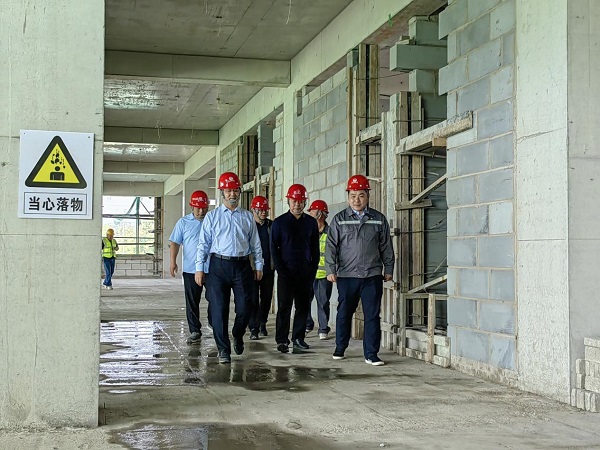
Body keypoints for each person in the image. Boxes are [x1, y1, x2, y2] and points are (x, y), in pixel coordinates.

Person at [195, 172, 263, 364]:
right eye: (228, 191)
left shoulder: (247, 217)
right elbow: (203, 244)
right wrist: (199, 268)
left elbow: (255, 244)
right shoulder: (212, 217)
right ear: (222, 193)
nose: (232, 194)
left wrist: (258, 265)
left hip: (242, 265)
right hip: (218, 266)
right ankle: (223, 349)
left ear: (239, 191)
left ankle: (238, 333)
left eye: (235, 190)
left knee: (245, 306)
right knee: (219, 309)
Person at [326, 175, 394, 366]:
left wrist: (388, 268)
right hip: (347, 275)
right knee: (344, 312)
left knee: (372, 315)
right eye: (353, 196)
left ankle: (371, 354)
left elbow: (386, 246)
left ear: (368, 196)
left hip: (372, 275)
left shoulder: (378, 219)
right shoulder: (339, 220)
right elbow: (331, 247)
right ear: (348, 196)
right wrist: (331, 269)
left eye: (361, 195)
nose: (357, 200)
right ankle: (340, 347)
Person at [271, 184, 320, 354]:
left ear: (305, 202)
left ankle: (298, 338)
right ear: (288, 201)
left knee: (303, 306)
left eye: (300, 201)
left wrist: (312, 270)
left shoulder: (311, 223)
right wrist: (281, 270)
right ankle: (282, 340)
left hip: (305, 273)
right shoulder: (279, 223)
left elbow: (315, 249)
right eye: (294, 201)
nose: (297, 204)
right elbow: (274, 249)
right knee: (284, 307)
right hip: (286, 273)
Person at [169, 190, 211, 345]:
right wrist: (173, 262)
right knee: (192, 301)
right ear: (191, 206)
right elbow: (175, 242)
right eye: (198, 208)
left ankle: (213, 322)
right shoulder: (183, 222)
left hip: (211, 268)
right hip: (190, 270)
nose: (201, 211)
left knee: (215, 298)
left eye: (204, 208)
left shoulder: (212, 220)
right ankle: (195, 330)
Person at [247, 195, 275, 340]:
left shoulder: (271, 226)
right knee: (252, 298)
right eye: (260, 210)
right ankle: (253, 327)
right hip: (251, 268)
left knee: (266, 297)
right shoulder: (248, 225)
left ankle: (262, 322)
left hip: (268, 268)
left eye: (265, 210)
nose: (264, 212)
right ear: (253, 210)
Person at [305, 200, 333, 340]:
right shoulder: (307, 231)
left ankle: (323, 328)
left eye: (312, 213)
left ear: (320, 214)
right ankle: (307, 324)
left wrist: (332, 271)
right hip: (308, 273)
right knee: (304, 301)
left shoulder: (331, 233)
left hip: (323, 275)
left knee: (323, 302)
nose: (310, 216)